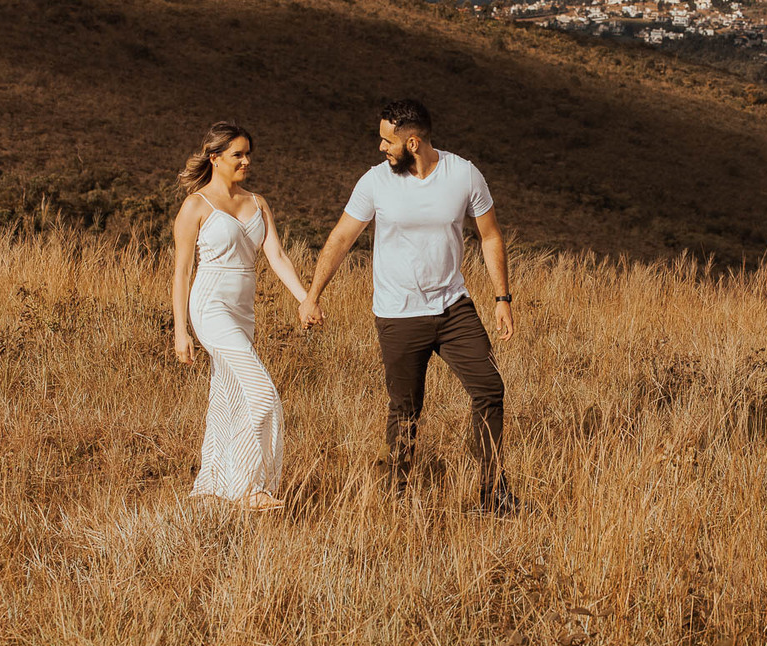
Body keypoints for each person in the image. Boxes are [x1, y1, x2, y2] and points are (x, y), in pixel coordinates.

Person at [298, 99, 519, 514]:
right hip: (398, 314)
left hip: (454, 309)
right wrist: (313, 295)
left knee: (489, 389)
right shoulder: (375, 182)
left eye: (387, 141)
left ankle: (494, 494)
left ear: (412, 142)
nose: (381, 147)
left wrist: (502, 297)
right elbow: (342, 238)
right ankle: (396, 498)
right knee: (405, 409)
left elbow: (490, 236)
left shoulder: (464, 174)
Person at [172, 122, 308, 511]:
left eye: (249, 153)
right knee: (262, 395)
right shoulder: (196, 206)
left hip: (243, 313)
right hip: (210, 307)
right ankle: (250, 488)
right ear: (215, 158)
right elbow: (182, 271)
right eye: (238, 154)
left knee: (226, 397)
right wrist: (181, 332)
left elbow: (277, 257)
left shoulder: (257, 202)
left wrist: (304, 299)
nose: (247, 161)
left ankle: (211, 487)